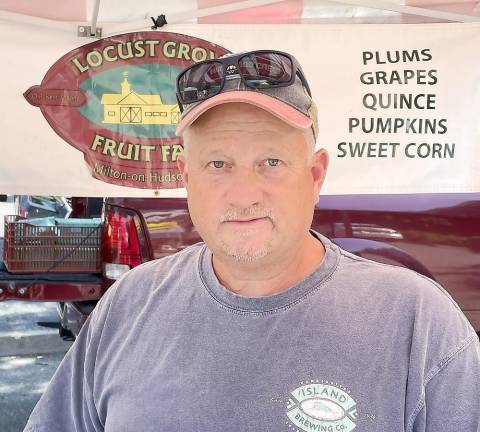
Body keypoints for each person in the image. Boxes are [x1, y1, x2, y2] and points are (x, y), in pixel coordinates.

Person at [25, 50, 479, 432]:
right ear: (186, 177)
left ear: (315, 175)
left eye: (272, 161)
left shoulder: (418, 322)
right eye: (218, 164)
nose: (243, 195)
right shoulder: (128, 305)